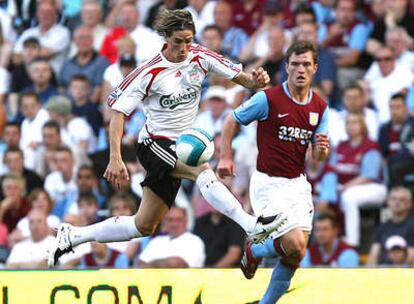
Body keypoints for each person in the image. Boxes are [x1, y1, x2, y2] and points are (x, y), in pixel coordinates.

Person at [48, 9, 284, 267]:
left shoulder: (200, 57)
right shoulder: (149, 72)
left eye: (189, 40)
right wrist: (115, 157)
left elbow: (245, 80)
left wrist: (256, 80)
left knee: (144, 224)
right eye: (178, 41)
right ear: (166, 40)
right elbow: (117, 112)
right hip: (154, 144)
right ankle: (251, 225)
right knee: (202, 170)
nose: (184, 47)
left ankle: (74, 235)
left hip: (181, 144)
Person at [218, 41, 330, 303]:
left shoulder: (320, 108)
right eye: (295, 64)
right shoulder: (268, 99)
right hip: (268, 184)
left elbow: (318, 156)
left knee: (296, 255)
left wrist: (322, 149)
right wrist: (225, 155)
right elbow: (231, 119)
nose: (300, 69)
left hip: (298, 185)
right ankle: (255, 249)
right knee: (294, 244)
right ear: (287, 67)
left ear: (315, 68)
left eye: (306, 64)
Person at [136, 205, 205, 268]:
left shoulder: (194, 241)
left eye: (178, 220)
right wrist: (164, 263)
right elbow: (140, 264)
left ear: (186, 221)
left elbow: (177, 264)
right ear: (164, 222)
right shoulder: (157, 241)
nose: (174, 224)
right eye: (170, 220)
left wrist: (152, 264)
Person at [367, 186, 414, 265]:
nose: (397, 202)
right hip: (383, 272)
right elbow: (373, 256)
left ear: (409, 204)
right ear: (388, 202)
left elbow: (412, 258)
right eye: (393, 199)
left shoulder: (412, 226)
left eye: (401, 200)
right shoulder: (382, 227)